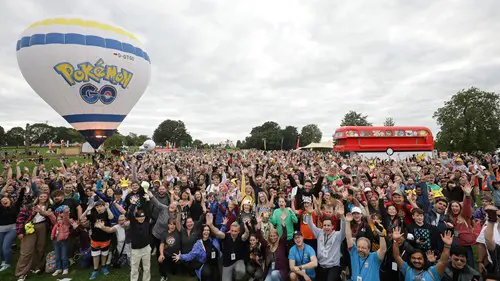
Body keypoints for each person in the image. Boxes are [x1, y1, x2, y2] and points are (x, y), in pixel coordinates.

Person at [305, 203, 345, 281]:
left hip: (333, 267)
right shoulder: (319, 233)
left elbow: (344, 229)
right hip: (321, 266)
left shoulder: (338, 235)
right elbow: (310, 225)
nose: (326, 227)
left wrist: (342, 217)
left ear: (333, 226)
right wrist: (309, 214)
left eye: (328, 225)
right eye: (325, 225)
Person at [345, 211, 387, 281]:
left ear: (369, 249)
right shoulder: (354, 253)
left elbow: (383, 250)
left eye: (363, 248)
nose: (360, 249)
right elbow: (348, 238)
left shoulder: (374, 257)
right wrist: (347, 222)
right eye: (358, 247)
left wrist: (381, 235)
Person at [207, 213, 249, 281]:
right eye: (232, 231)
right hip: (227, 263)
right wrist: (211, 225)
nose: (233, 233)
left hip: (238, 261)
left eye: (235, 231)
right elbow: (217, 232)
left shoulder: (241, 237)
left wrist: (247, 230)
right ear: (230, 230)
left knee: (240, 271)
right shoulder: (225, 236)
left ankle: (236, 278)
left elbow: (246, 236)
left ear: (238, 231)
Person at [84, 200, 114, 280]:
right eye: (97, 207)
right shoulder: (93, 215)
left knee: (104, 254)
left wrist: (107, 208)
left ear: (104, 206)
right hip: (95, 239)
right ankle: (95, 269)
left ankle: (103, 266)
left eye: (101, 206)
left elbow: (111, 217)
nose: (99, 208)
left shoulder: (106, 213)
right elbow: (82, 218)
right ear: (95, 208)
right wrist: (87, 210)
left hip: (105, 239)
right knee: (95, 255)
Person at [127, 193, 152, 281]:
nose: (141, 218)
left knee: (147, 267)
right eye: (139, 217)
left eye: (143, 217)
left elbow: (148, 211)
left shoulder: (146, 221)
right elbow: (129, 214)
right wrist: (133, 204)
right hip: (136, 250)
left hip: (146, 248)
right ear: (136, 218)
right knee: (134, 268)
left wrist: (148, 201)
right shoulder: (133, 223)